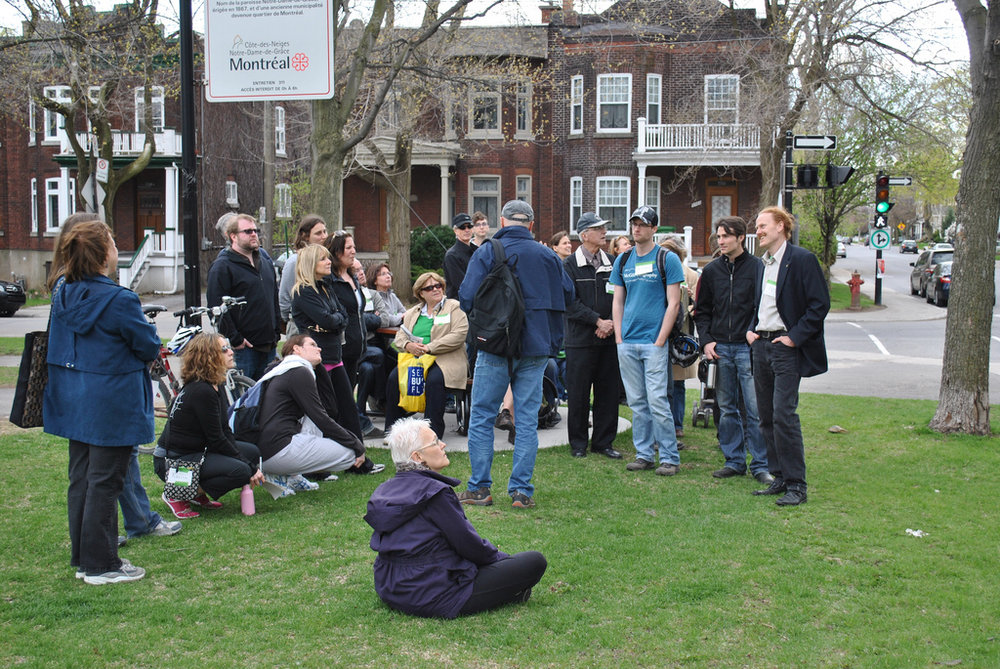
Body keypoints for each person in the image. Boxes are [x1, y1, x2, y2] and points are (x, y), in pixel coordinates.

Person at [48, 213, 181, 547]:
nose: (116, 248)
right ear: (100, 252)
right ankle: (98, 558)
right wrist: (148, 334)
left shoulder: (61, 291)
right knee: (104, 479)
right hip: (110, 399)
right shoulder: (118, 299)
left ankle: (87, 547)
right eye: (112, 242)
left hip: (74, 396)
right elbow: (147, 345)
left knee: (83, 477)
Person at [364, 417, 547, 618]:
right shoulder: (434, 492)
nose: (443, 445)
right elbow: (469, 545)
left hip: (390, 587)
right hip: (431, 592)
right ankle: (511, 594)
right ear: (417, 457)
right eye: (434, 442)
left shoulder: (385, 490)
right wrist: (503, 559)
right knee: (535, 561)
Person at [458, 200, 575, 508]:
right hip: (536, 345)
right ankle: (521, 491)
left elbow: (466, 297)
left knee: (482, 416)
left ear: (502, 221)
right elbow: (568, 294)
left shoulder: (487, 251)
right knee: (525, 419)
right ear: (532, 225)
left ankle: (480, 488)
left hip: (495, 344)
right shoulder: (548, 254)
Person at [748, 206, 830, 506]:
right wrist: (750, 330)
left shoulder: (802, 260)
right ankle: (779, 476)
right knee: (766, 417)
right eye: (757, 226)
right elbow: (760, 305)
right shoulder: (762, 264)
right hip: (761, 346)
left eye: (763, 225)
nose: (758, 231)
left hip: (785, 349)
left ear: (782, 226)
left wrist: (793, 338)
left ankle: (797, 485)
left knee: (784, 416)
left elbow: (819, 305)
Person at [693, 217, 771, 484]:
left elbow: (763, 307)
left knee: (755, 408)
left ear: (740, 237)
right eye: (718, 236)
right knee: (726, 408)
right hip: (720, 349)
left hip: (747, 347)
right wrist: (707, 340)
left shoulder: (758, 268)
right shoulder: (711, 271)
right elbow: (700, 311)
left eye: (726, 236)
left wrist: (753, 333)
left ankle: (760, 464)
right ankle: (734, 461)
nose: (721, 241)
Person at [154, 333, 265, 517]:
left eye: (228, 347)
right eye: (224, 349)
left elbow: (224, 430)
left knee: (252, 452)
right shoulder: (200, 390)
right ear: (208, 356)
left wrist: (245, 458)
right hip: (173, 462)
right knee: (241, 471)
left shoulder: (214, 383)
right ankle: (177, 492)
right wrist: (250, 467)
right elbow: (217, 439)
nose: (231, 352)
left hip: (197, 452)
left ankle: (195, 492)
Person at [611, 206, 684, 477]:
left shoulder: (667, 259)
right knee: (637, 402)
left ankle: (669, 457)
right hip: (627, 342)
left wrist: (660, 339)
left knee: (657, 401)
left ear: (654, 229)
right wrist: (619, 336)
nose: (637, 228)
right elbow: (618, 300)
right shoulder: (623, 260)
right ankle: (644, 454)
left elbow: (674, 303)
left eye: (643, 224)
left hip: (653, 342)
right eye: (634, 223)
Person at [257, 335, 378, 498]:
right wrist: (356, 444)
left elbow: (329, 408)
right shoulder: (298, 371)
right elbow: (321, 418)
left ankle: (290, 475)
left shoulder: (285, 369)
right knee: (350, 454)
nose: (319, 348)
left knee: (320, 437)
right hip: (276, 450)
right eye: (313, 345)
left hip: (266, 451)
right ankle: (279, 474)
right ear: (297, 349)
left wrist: (319, 366)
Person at [562, 212, 622, 460]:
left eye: (604, 228)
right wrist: (597, 321)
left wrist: (609, 325)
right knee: (578, 394)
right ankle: (578, 444)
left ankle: (603, 443)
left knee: (608, 393)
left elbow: (620, 296)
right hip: (580, 341)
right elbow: (569, 302)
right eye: (598, 229)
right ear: (584, 235)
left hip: (608, 341)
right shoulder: (568, 265)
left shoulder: (613, 261)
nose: (604, 232)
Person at [289, 243, 363, 441]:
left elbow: (343, 316)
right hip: (316, 358)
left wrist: (334, 321)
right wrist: (334, 321)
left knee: (348, 406)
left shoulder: (326, 287)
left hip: (334, 352)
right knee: (327, 408)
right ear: (310, 263)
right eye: (323, 258)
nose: (329, 262)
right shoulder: (303, 291)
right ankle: (324, 456)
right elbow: (327, 320)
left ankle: (359, 456)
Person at [384, 272, 469, 439]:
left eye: (438, 285)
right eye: (430, 287)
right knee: (394, 378)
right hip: (416, 359)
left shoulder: (454, 307)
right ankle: (394, 431)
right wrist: (408, 345)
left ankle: (432, 434)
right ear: (420, 293)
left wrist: (429, 348)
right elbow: (400, 336)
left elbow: (459, 335)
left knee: (434, 381)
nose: (436, 289)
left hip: (446, 359)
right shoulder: (412, 312)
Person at [207, 213, 281, 380]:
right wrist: (235, 339)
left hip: (268, 346)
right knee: (243, 402)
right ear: (233, 236)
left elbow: (273, 296)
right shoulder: (222, 266)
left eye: (256, 230)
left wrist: (276, 331)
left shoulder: (265, 261)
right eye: (247, 231)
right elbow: (216, 309)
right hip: (243, 351)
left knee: (267, 399)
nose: (254, 234)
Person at [660, 235, 701, 445]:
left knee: (678, 384)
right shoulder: (658, 271)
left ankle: (677, 425)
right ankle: (663, 425)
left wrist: (690, 301)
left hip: (681, 336)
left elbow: (699, 307)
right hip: (661, 334)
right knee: (663, 384)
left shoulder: (691, 275)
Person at [361, 262, 406, 417]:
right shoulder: (372, 297)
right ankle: (382, 400)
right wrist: (397, 317)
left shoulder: (392, 296)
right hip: (374, 341)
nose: (388, 276)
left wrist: (397, 317)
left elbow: (405, 315)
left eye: (389, 273)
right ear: (374, 279)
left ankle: (397, 400)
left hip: (388, 341)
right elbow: (387, 320)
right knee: (386, 358)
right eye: (383, 274)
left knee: (402, 359)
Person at [278, 214, 329, 337]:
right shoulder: (295, 261)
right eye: (318, 233)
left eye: (325, 231)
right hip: (300, 325)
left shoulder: (326, 261)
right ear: (305, 236)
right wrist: (290, 319)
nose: (323, 236)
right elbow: (285, 296)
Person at [443, 213, 476, 300]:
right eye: (462, 227)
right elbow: (461, 284)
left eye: (469, 226)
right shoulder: (451, 256)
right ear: (455, 230)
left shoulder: (478, 251)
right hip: (460, 303)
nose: (467, 230)